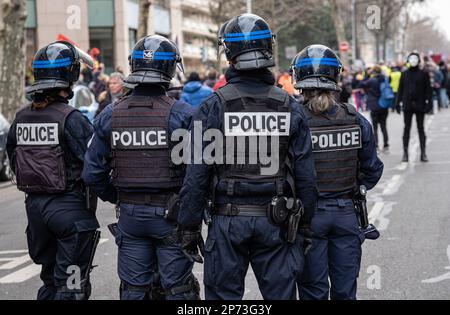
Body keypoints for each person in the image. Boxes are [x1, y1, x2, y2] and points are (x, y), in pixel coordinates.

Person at [178, 13, 317, 300]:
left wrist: (189, 227)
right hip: (277, 221)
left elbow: (196, 175)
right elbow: (306, 175)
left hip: (228, 222)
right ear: (269, 49)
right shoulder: (289, 107)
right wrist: (305, 225)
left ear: (229, 55)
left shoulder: (212, 107)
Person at [82, 35, 199, 300]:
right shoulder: (185, 114)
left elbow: (92, 172)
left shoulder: (110, 114)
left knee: (134, 289)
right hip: (172, 214)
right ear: (170, 69)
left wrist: (118, 196)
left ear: (134, 67)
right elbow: (198, 172)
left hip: (131, 216)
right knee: (179, 289)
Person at [6, 41, 100, 300]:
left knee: (50, 281)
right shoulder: (72, 119)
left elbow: (14, 157)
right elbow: (95, 165)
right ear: (71, 75)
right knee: (71, 285)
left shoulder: (21, 117)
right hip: (69, 212)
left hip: (35, 210)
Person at [291, 45, 384, 300]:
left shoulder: (292, 120)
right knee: (345, 291)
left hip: (307, 218)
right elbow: (373, 169)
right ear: (336, 78)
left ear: (299, 79)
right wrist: (354, 185)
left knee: (312, 290)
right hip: (346, 214)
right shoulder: (355, 119)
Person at [396, 52, 433, 163]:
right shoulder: (404, 74)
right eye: (411, 58)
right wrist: (397, 103)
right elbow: (400, 89)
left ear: (418, 60)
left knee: (421, 129)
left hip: (420, 105)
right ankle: (405, 154)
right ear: (408, 60)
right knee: (406, 129)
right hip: (407, 105)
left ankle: (423, 153)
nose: (413, 60)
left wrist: (429, 104)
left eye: (415, 58)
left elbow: (428, 90)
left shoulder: (423, 74)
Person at [360, 66, 390, 152]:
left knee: (375, 127)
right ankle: (386, 145)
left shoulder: (372, 81)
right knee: (384, 126)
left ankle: (376, 145)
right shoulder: (385, 79)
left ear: (373, 72)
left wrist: (367, 75)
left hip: (374, 107)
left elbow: (361, 84)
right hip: (384, 106)